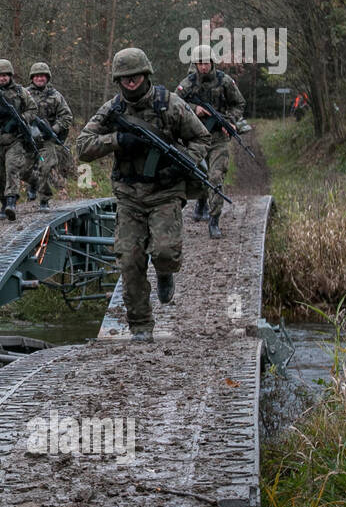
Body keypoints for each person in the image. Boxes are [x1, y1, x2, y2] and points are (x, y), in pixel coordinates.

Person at [77, 47, 208, 342]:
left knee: (163, 251)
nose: (131, 82)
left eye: (135, 76)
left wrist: (181, 162)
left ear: (145, 74)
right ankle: (140, 326)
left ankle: (165, 273)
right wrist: (118, 140)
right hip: (129, 196)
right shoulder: (112, 111)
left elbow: (201, 137)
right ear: (118, 80)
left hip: (165, 192)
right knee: (129, 259)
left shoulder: (170, 104)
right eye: (125, 78)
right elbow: (83, 147)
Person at [176, 43, 245, 238]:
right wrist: (193, 108)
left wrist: (230, 121)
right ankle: (201, 202)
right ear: (195, 64)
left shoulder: (224, 82)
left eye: (206, 63)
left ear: (212, 62)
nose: (203, 67)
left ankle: (214, 221)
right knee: (198, 174)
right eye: (199, 63)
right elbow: (175, 105)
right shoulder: (188, 84)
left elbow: (239, 104)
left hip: (218, 138)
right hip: (195, 138)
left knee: (215, 177)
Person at [0, 59, 36, 220]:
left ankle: (11, 201)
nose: (2, 78)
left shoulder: (20, 92)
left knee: (12, 168)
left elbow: (33, 109)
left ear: (10, 76)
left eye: (5, 75)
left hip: (15, 139)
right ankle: (3, 202)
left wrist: (21, 119)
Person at [24, 62, 73, 209]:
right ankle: (33, 183)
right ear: (32, 78)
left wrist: (54, 129)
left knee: (45, 166)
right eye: (37, 76)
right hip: (27, 139)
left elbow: (67, 116)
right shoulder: (24, 94)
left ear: (47, 78)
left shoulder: (56, 96)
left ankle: (44, 199)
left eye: (43, 76)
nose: (40, 79)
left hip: (47, 140)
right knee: (22, 169)